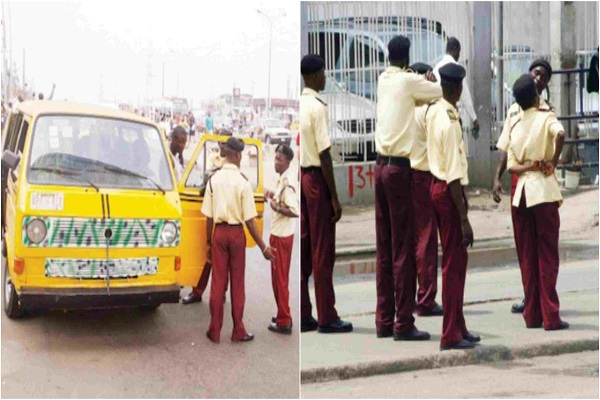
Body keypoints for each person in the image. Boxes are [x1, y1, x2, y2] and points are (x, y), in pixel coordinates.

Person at [374, 36, 441, 341]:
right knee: (403, 249)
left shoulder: (382, 79)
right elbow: (440, 91)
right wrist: (425, 79)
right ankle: (403, 323)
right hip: (400, 169)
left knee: (385, 249)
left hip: (379, 167)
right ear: (407, 58)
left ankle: (384, 320)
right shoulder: (409, 80)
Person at [492, 59, 555, 314]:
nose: (539, 78)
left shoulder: (547, 110)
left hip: (539, 183)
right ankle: (530, 298)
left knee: (543, 245)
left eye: (544, 77)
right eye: (537, 73)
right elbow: (505, 147)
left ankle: (544, 301)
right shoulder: (513, 110)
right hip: (519, 183)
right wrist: (497, 178)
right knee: (524, 245)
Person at [507, 74, 567, 331]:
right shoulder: (546, 117)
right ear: (535, 96)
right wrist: (552, 160)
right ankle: (551, 316)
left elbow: (512, 166)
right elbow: (561, 133)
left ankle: (532, 314)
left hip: (521, 193)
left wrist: (528, 164)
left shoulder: (515, 124)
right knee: (547, 256)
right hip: (542, 191)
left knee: (527, 257)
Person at [426, 63, 479, 350]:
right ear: (457, 89)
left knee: (456, 261)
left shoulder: (436, 110)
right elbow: (455, 174)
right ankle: (450, 333)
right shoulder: (448, 119)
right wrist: (464, 219)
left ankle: (458, 325)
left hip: (440, 186)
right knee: (453, 264)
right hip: (448, 191)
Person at [202, 137, 275, 343]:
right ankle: (238, 330)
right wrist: (263, 247)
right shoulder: (243, 183)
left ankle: (214, 330)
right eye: (240, 154)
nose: (241, 158)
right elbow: (250, 222)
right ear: (236, 155)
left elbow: (208, 216)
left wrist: (209, 242)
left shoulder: (213, 180)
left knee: (217, 283)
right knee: (237, 284)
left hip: (219, 233)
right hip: (236, 235)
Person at [300, 54, 352, 334]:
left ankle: (306, 312)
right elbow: (324, 153)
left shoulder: (300, 104)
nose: (324, 78)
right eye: (322, 73)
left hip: (303, 177)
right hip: (317, 179)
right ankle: (327, 316)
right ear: (313, 76)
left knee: (307, 248)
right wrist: (334, 197)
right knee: (322, 250)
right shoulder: (317, 107)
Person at [181, 129, 234, 305]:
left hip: (227, 212)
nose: (223, 146)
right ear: (218, 144)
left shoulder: (233, 161)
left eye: (227, 143)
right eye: (221, 143)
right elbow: (207, 178)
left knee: (225, 261)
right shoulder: (212, 158)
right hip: (212, 209)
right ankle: (197, 291)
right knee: (206, 257)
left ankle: (221, 292)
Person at [409, 62, 443, 317]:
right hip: (423, 175)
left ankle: (408, 296)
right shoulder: (427, 111)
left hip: (402, 174)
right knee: (426, 240)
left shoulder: (403, 107)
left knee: (407, 241)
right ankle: (426, 298)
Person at [265, 144, 299, 335]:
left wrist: (276, 208)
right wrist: (272, 196)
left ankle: (284, 320)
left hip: (281, 236)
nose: (276, 162)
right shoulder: (282, 180)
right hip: (279, 233)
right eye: (275, 158)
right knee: (278, 278)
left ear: (287, 161)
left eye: (279, 159)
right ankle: (281, 313)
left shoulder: (287, 184)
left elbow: (294, 210)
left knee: (280, 279)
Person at [433, 37, 479, 133]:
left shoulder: (436, 68)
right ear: (454, 49)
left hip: (436, 115)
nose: (459, 55)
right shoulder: (456, 69)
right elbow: (465, 96)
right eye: (459, 52)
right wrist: (474, 118)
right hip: (451, 116)